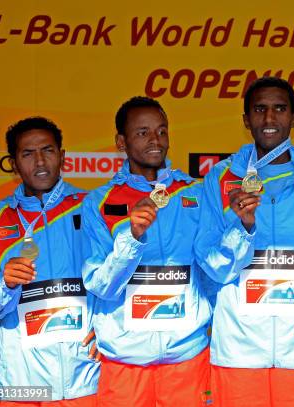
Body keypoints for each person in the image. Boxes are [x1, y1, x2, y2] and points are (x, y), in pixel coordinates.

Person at [194, 76, 294, 407]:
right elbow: (211, 269)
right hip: (239, 353)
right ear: (245, 119)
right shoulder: (220, 179)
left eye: (279, 108)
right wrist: (243, 228)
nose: (269, 119)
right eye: (260, 109)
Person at [81, 97, 212, 406]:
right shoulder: (99, 201)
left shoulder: (195, 192)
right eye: (143, 133)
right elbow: (100, 284)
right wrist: (132, 236)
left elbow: (213, 271)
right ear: (120, 142)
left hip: (187, 356)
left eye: (161, 131)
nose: (156, 140)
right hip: (125, 361)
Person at [0, 117, 100, 405]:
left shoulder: (92, 205)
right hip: (21, 377)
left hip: (82, 374)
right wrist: (5, 282)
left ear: (62, 156)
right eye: (27, 154)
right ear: (12, 163)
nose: (39, 162)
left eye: (47, 150)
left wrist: (110, 328)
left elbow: (113, 279)